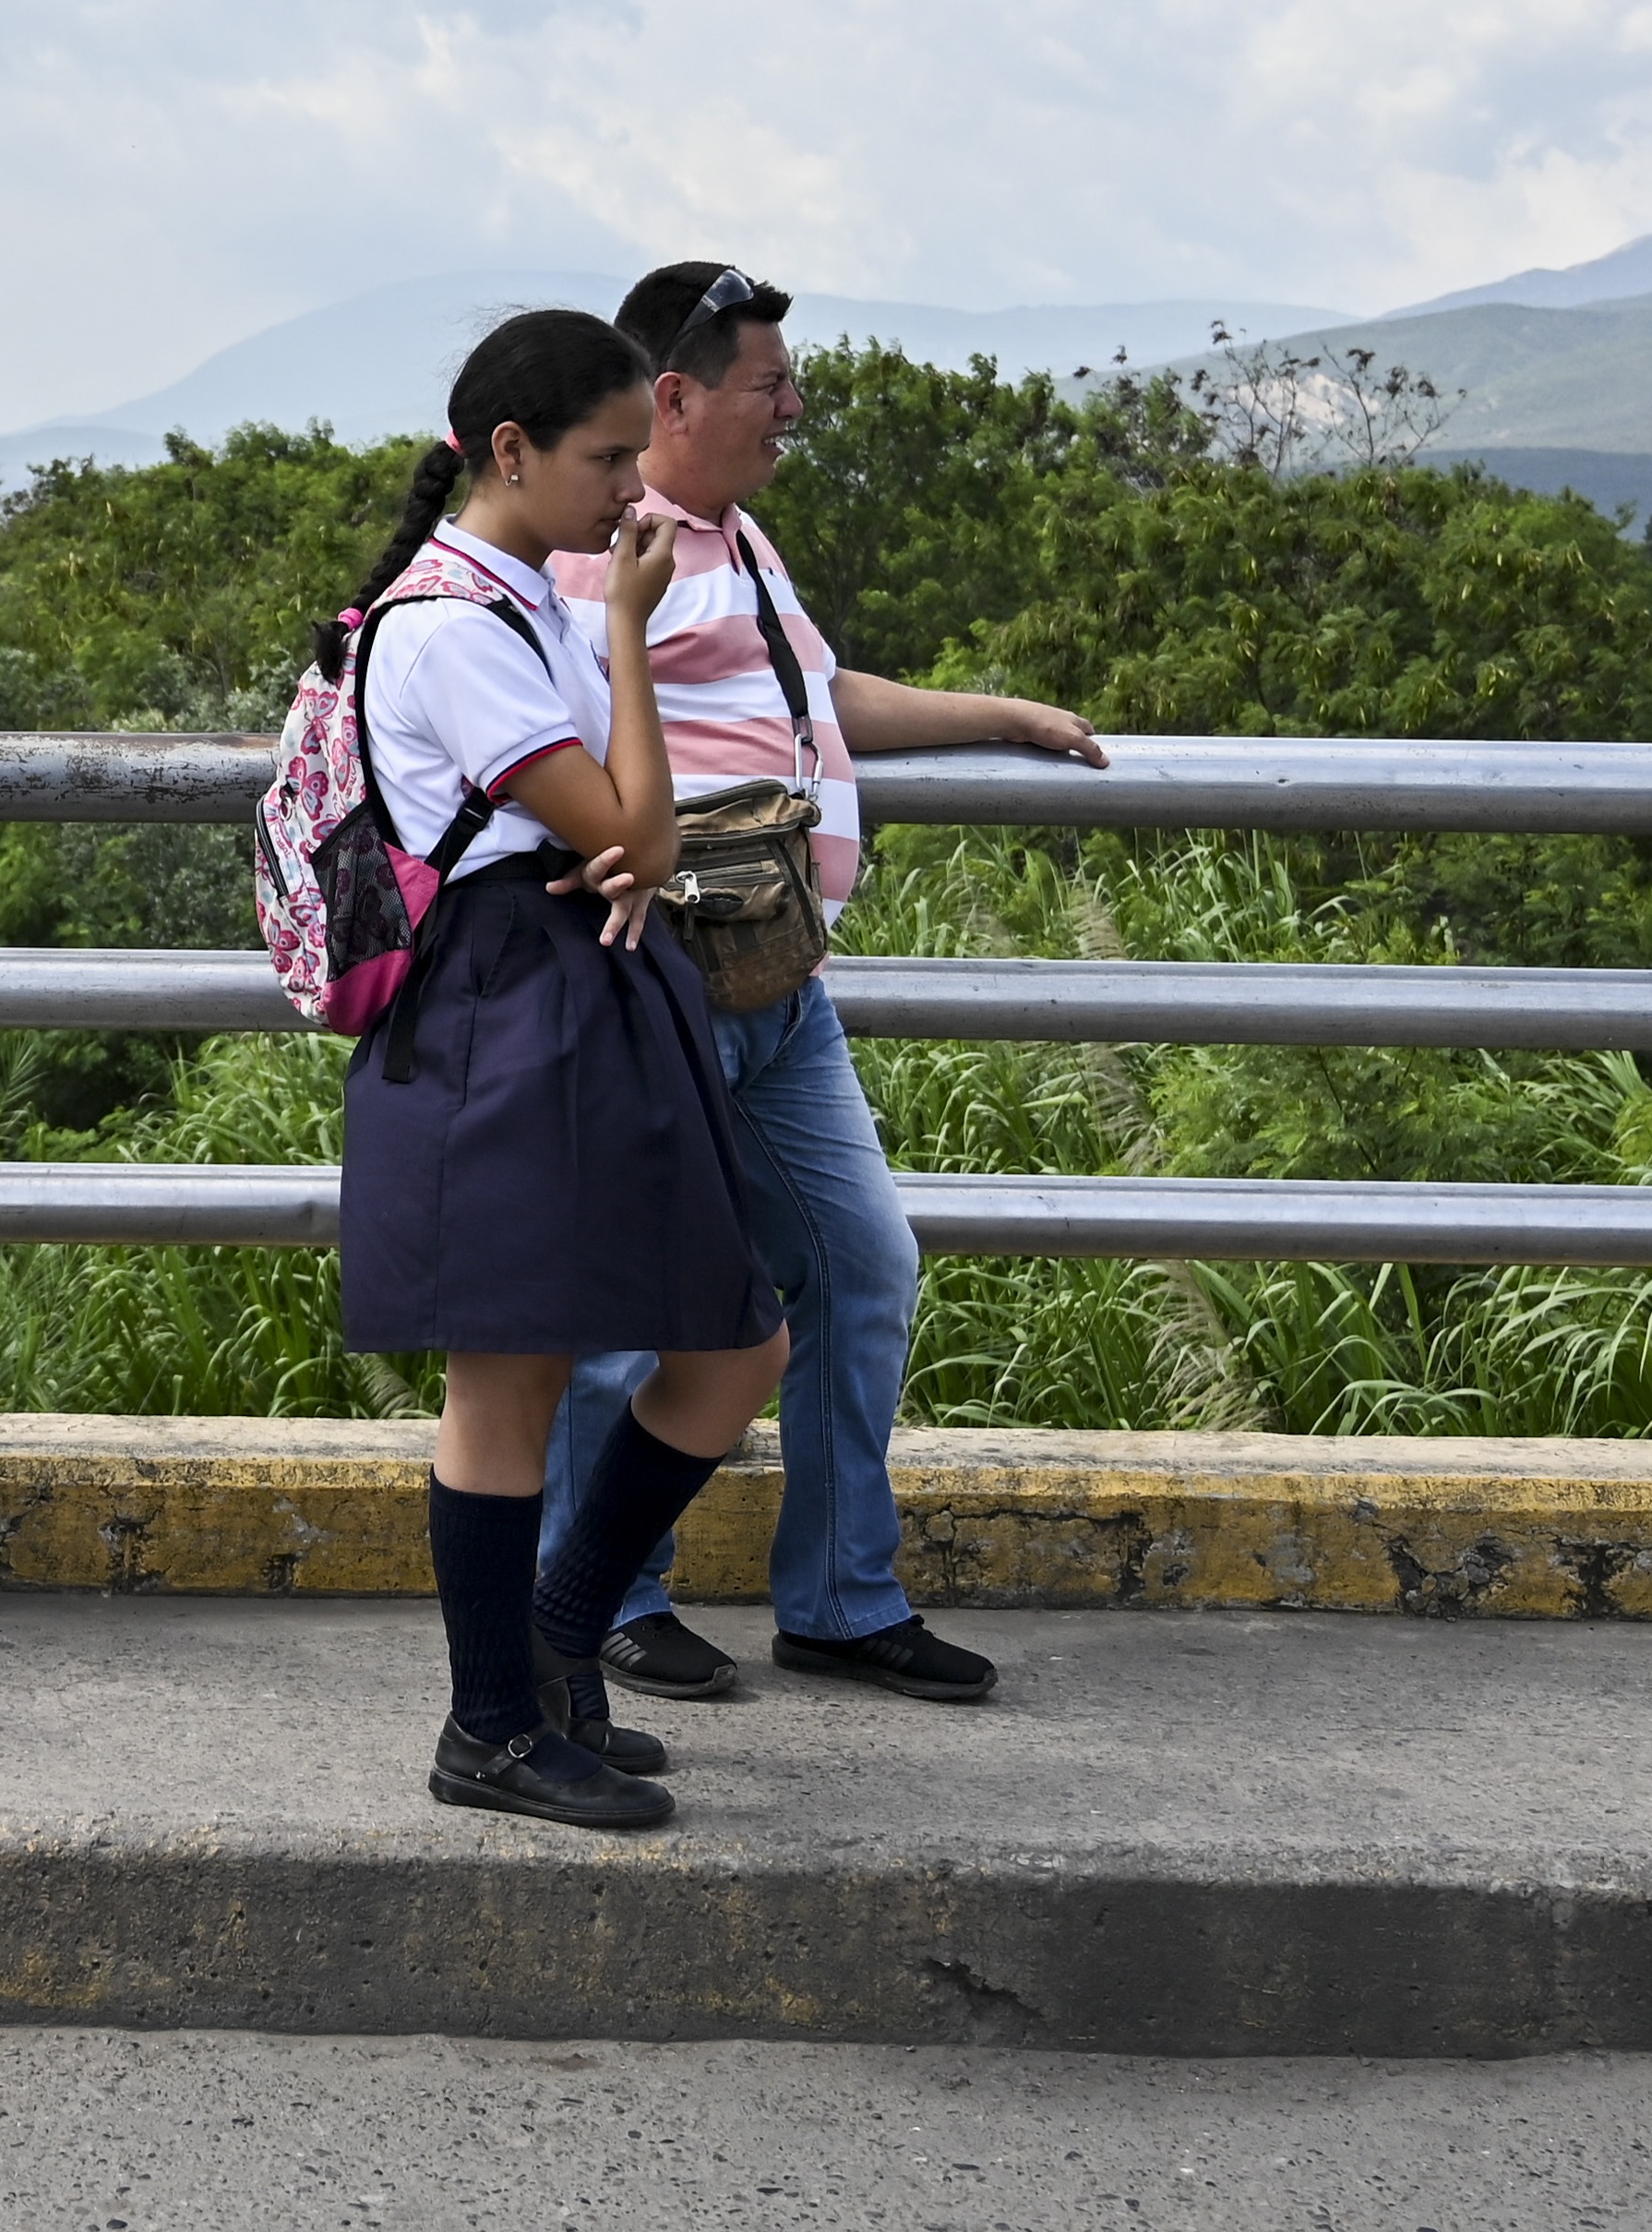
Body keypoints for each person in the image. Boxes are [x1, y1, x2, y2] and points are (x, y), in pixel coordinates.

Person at [540, 262, 1110, 1709]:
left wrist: (1006, 715)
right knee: (621, 1308)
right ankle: (599, 1596)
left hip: (778, 985)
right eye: (767, 384)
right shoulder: (598, 551)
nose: (791, 407)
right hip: (657, 977)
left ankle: (842, 1600)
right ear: (674, 396)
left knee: (859, 1261)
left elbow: (815, 694)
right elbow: (540, 738)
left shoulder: (738, 537)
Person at [331, 309, 791, 1832]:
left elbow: (620, 833)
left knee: (733, 1346)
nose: (628, 486)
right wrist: (622, 641)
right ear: (508, 450)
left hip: (590, 997)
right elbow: (638, 836)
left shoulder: (515, 596)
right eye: (605, 458)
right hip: (499, 1010)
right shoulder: (459, 626)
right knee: (506, 1373)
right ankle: (490, 1726)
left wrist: (617, 778)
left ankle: (553, 1637)